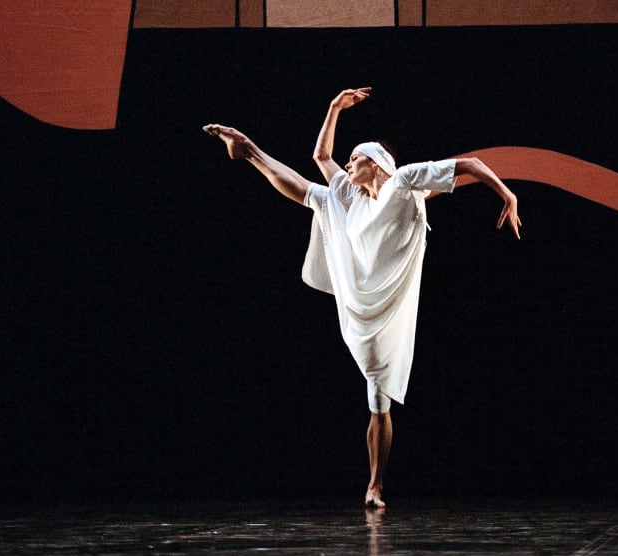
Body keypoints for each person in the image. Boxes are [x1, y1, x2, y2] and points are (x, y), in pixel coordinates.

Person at [204, 87, 521, 509]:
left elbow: (472, 164)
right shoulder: (350, 195)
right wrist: (334, 108)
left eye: (354, 158)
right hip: (360, 294)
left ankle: (376, 483)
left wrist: (507, 194)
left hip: (389, 302)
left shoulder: (405, 180)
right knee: (316, 194)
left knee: (378, 400)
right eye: (349, 158)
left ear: (375, 163)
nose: (346, 163)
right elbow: (319, 157)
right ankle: (250, 152)